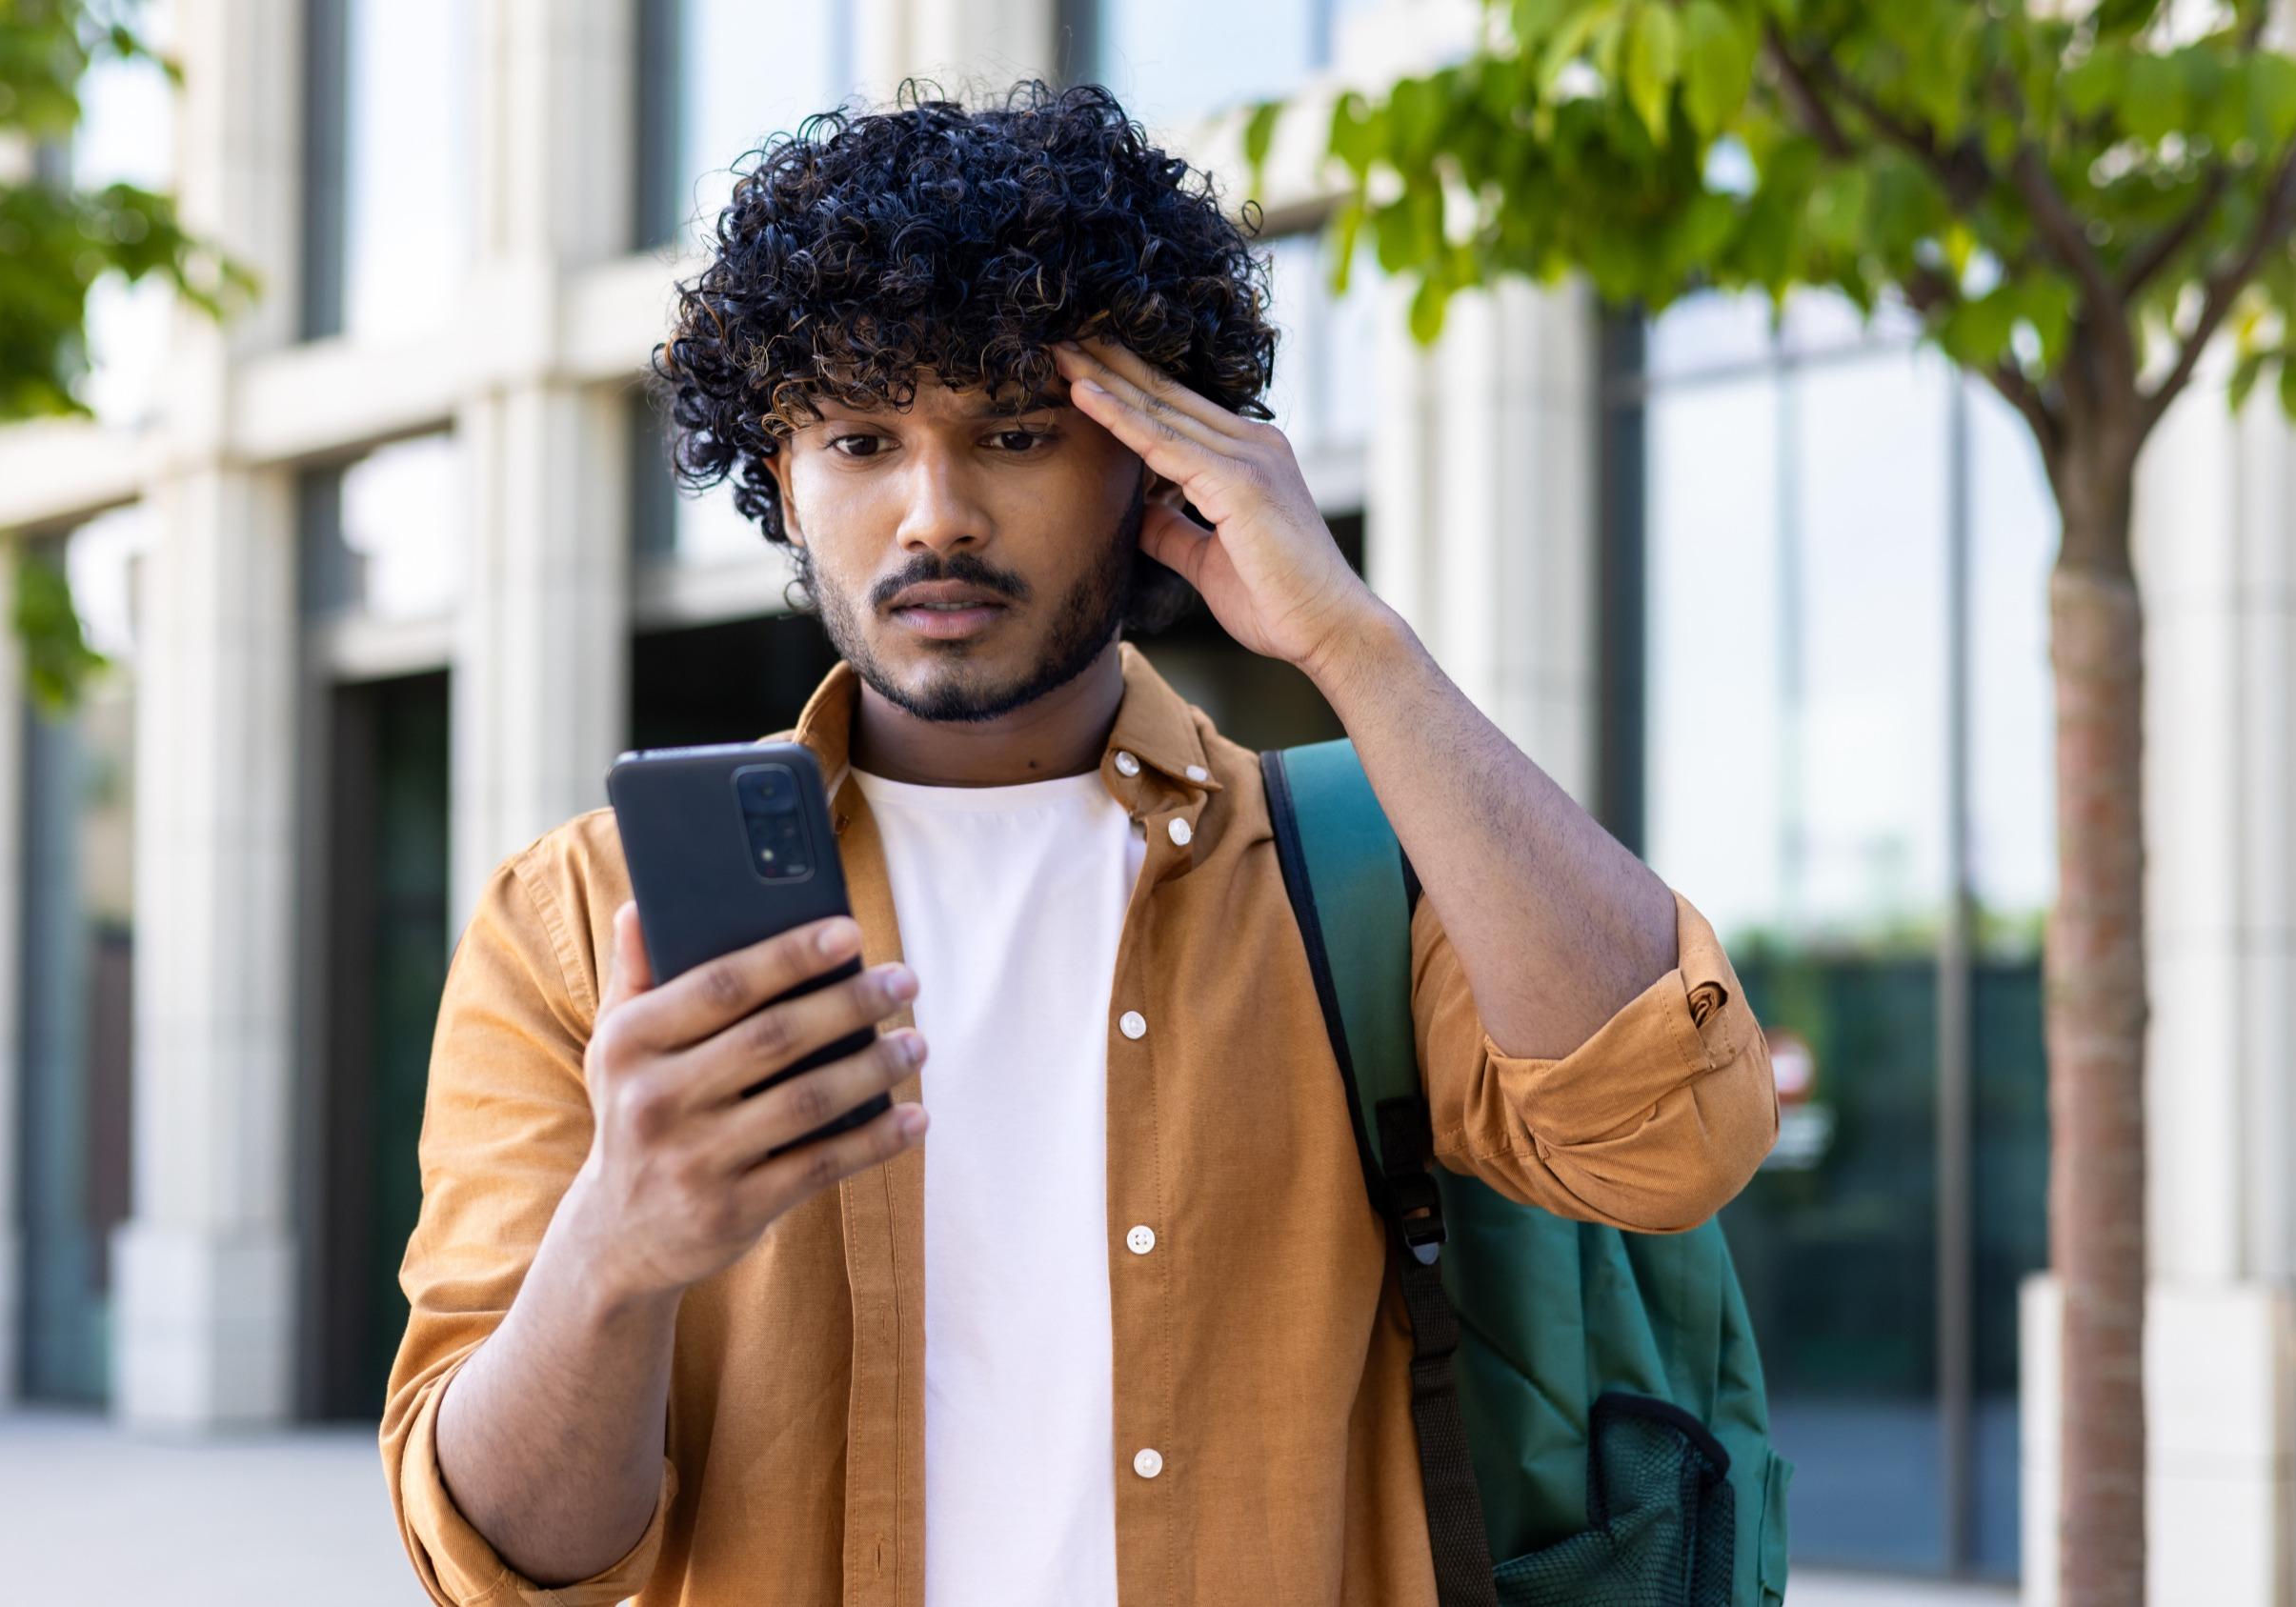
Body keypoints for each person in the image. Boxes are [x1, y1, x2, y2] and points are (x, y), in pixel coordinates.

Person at [380, 78, 1778, 1607]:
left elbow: (1672, 1142)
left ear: (1156, 462)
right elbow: (500, 1563)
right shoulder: (582, 918)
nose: (936, 515)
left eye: (1019, 432)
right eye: (857, 439)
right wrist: (617, 1253)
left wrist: (1357, 645)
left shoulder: (1370, 869)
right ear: (777, 478)